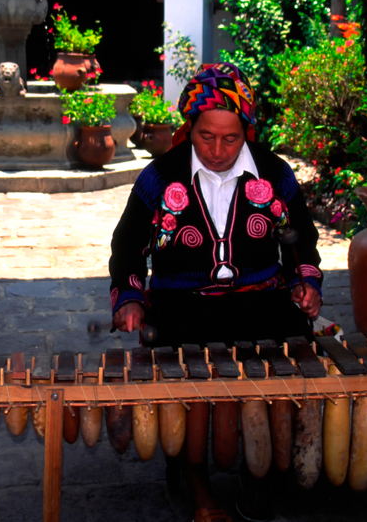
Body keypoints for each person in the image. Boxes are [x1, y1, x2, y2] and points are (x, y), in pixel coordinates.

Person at [108, 62, 324, 522]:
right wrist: (130, 297)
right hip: (182, 306)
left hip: (261, 300)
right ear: (191, 127)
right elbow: (127, 246)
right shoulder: (161, 178)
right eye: (207, 137)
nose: (219, 150)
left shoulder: (274, 174)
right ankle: (200, 490)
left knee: (286, 370)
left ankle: (261, 475)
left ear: (247, 129)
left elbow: (299, 238)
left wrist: (305, 281)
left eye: (231, 138)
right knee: (183, 390)